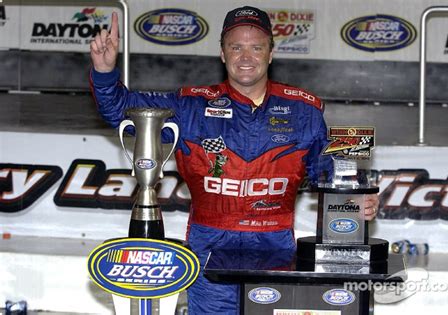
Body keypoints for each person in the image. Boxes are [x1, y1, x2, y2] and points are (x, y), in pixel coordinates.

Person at [90, 6, 379, 314]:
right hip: (210, 246)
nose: (246, 57)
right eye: (236, 47)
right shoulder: (191, 106)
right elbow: (121, 109)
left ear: (270, 54)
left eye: (256, 47)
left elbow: (328, 171)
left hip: (275, 246)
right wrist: (105, 72)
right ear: (222, 54)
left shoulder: (303, 110)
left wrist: (353, 198)